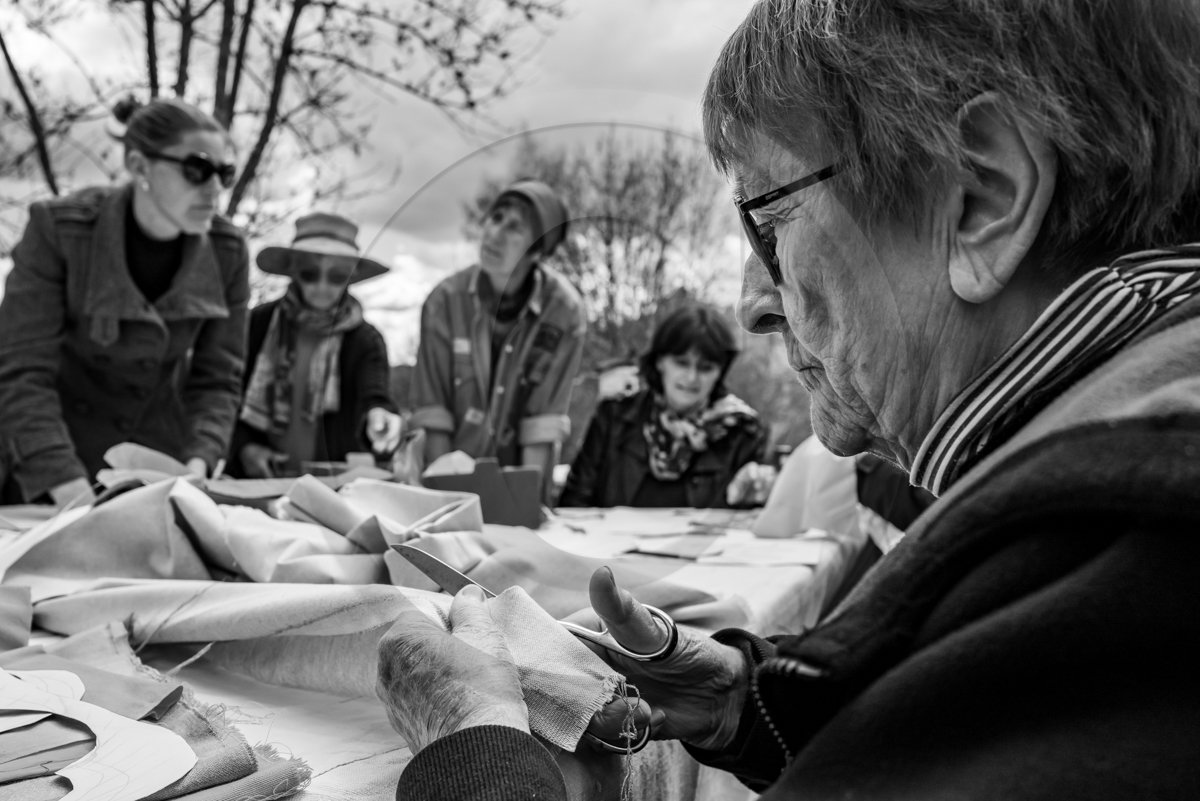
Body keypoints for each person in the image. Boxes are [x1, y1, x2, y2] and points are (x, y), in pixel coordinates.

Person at [375, 0, 1200, 799]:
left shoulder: (1137, 556)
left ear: (984, 196)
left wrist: (475, 744)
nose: (754, 304)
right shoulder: (1101, 503)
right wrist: (755, 702)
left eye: (766, 219)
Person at [0, 97, 249, 507]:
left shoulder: (229, 252)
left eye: (224, 173)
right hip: (51, 463)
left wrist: (197, 466)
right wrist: (68, 491)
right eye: (197, 169)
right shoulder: (60, 231)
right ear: (139, 166)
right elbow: (21, 371)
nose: (214, 189)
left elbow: (218, 380)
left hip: (154, 469)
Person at [409, 180, 586, 497]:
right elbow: (433, 413)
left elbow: (542, 422)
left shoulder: (563, 312)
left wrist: (525, 505)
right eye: (496, 218)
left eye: (515, 228)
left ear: (538, 250)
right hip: (450, 476)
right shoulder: (444, 301)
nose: (494, 234)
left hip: (516, 479)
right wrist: (443, 497)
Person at [227, 213, 402, 478]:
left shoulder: (365, 339)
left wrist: (380, 417)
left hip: (333, 488)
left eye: (337, 276)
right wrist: (245, 447)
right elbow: (228, 394)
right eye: (310, 274)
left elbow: (374, 395)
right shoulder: (258, 323)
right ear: (293, 271)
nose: (322, 286)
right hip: (257, 484)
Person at [559, 305, 767, 508]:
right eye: (681, 362)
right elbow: (574, 504)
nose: (691, 377)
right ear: (660, 362)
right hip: (610, 543)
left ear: (720, 372)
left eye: (705, 368)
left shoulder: (743, 431)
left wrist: (758, 493)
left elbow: (750, 524)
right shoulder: (613, 415)